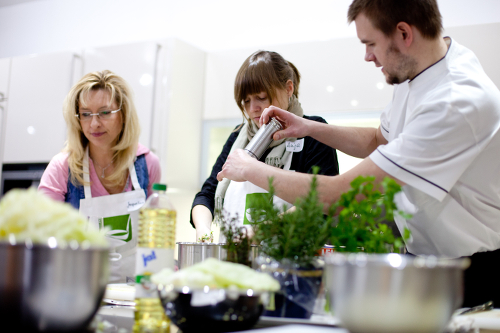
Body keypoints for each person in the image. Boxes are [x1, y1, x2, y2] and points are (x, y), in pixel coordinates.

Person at [217, 0, 500, 307]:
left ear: (404, 33)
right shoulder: (419, 73)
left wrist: (249, 168)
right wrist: (307, 127)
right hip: (429, 262)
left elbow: (338, 197)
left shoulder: (456, 101)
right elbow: (379, 139)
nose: (367, 56)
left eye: (370, 44)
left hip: (474, 271)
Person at [191, 50, 339, 242]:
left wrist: (258, 234)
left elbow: (320, 204)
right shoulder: (238, 137)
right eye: (246, 101)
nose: (253, 108)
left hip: (290, 263)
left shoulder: (313, 133)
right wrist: (203, 229)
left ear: (288, 88)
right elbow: (207, 194)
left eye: (261, 97)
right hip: (234, 260)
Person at [39, 70, 161, 283]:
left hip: (133, 292)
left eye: (105, 112)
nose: (94, 124)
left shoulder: (148, 163)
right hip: (77, 292)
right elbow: (41, 237)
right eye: (85, 114)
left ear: (123, 114)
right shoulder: (62, 168)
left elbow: (156, 237)